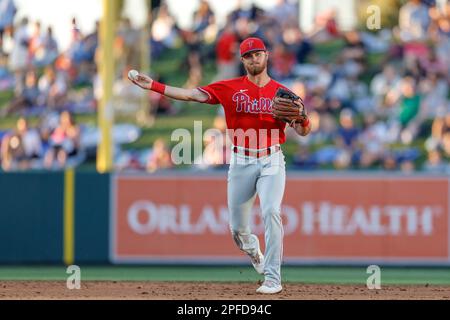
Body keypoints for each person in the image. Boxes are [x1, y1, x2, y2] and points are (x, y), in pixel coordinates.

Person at [129, 37, 311, 294]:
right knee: (238, 229)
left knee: (271, 211)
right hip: (241, 161)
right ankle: (254, 252)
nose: (254, 59)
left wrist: (302, 117)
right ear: (242, 60)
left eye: (257, 54)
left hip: (271, 159)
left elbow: (304, 132)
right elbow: (192, 94)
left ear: (266, 56)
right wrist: (155, 86)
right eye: (248, 56)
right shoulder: (230, 87)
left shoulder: (283, 93)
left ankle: (273, 278)